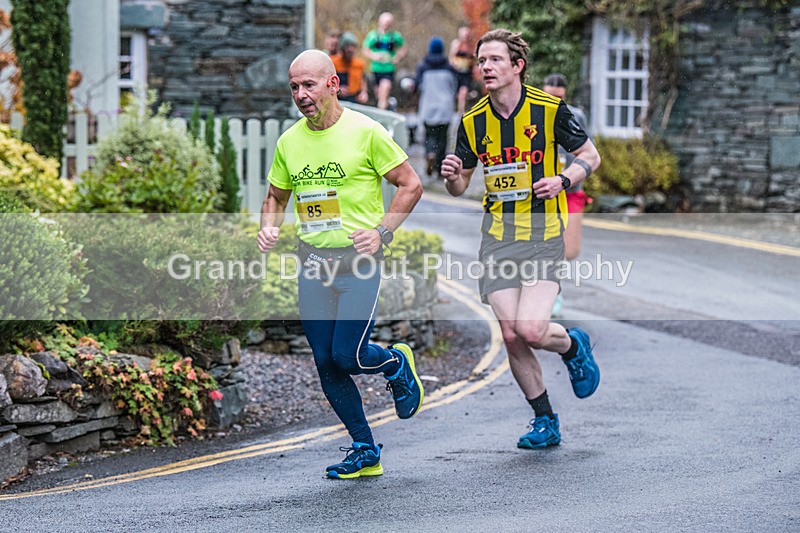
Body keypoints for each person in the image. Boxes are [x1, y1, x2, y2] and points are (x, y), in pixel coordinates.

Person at [257, 50, 424, 479]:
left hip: (357, 265)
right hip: (314, 265)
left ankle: (395, 363)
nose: (301, 94)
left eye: (309, 84)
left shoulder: (366, 132)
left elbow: (410, 184)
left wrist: (382, 231)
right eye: (294, 87)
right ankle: (365, 450)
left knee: (347, 355)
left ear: (333, 84)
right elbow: (276, 197)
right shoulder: (289, 141)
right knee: (326, 363)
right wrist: (269, 227)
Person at [440, 29, 602, 450]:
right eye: (482, 61)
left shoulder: (550, 110)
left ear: (517, 66)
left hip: (544, 235)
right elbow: (461, 187)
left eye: (495, 60)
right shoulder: (473, 121)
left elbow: (590, 157)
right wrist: (454, 177)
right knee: (510, 335)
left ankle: (572, 345)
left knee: (531, 329)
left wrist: (564, 179)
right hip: (497, 239)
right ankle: (544, 419)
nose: (486, 68)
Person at [543, 73, 591, 317]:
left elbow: (588, 152)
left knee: (570, 250)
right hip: (542, 192)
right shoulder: (534, 116)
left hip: (570, 189)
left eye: (559, 98)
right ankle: (550, 290)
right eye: (550, 97)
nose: (554, 102)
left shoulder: (576, 116)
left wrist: (572, 175)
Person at [413, 37, 457, 177]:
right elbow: (455, 86)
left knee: (430, 135)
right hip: (445, 107)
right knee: (443, 138)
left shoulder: (423, 67)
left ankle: (430, 153)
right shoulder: (449, 67)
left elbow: (416, 86)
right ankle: (439, 168)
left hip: (428, 106)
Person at [362, 12, 407, 110]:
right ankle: (387, 106)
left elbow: (404, 48)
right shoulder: (373, 35)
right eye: (384, 22)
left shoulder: (395, 36)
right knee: (379, 94)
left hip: (388, 69)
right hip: (375, 69)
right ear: (379, 22)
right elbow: (365, 49)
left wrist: (398, 57)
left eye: (388, 22)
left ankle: (382, 112)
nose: (386, 24)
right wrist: (374, 56)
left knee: (384, 89)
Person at [332, 32, 369, 104]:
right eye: (347, 46)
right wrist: (337, 89)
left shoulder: (359, 64)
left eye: (353, 46)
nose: (350, 49)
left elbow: (363, 80)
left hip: (354, 99)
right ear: (342, 48)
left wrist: (364, 93)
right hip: (338, 99)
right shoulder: (334, 61)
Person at [449, 25, 475, 115]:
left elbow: (473, 59)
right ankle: (452, 110)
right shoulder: (456, 44)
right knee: (454, 93)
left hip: (466, 73)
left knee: (463, 92)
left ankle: (461, 112)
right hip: (456, 72)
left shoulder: (470, 46)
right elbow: (451, 57)